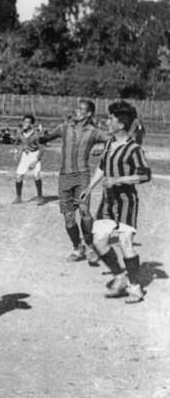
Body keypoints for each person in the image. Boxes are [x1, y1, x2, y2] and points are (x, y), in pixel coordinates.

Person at [80, 101, 151, 303]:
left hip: (126, 202)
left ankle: (135, 288)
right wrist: (90, 187)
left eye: (111, 118)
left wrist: (118, 180)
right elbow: (102, 167)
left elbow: (145, 175)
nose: (107, 121)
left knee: (125, 242)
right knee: (99, 241)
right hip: (108, 202)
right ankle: (119, 275)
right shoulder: (110, 143)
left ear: (121, 124)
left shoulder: (134, 149)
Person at [40, 99, 111, 263]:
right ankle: (78, 247)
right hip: (64, 176)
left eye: (80, 109)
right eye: (76, 108)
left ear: (88, 114)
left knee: (85, 212)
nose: (75, 111)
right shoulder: (64, 127)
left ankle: (91, 246)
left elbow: (112, 139)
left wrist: (102, 148)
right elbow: (47, 137)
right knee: (69, 217)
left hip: (82, 176)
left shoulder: (94, 132)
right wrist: (40, 137)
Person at [12, 114, 44, 205]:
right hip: (24, 156)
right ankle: (18, 197)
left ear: (31, 124)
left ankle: (40, 197)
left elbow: (42, 149)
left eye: (27, 122)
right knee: (18, 176)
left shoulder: (36, 135)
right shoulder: (20, 133)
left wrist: (36, 161)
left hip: (35, 155)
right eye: (24, 122)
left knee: (36, 175)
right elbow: (16, 143)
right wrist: (16, 153)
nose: (25, 124)